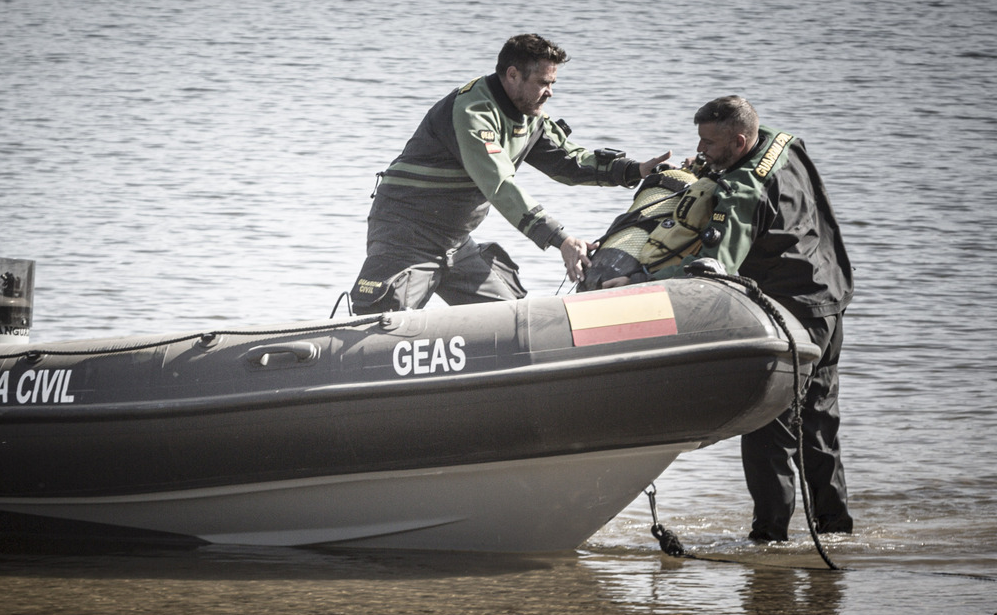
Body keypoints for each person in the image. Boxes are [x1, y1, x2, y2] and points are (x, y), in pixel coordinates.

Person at [638, 95, 855, 542]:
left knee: (766, 429)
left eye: (710, 143)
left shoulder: (740, 189)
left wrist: (642, 284)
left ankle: (769, 538)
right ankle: (837, 532)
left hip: (789, 315)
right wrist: (710, 170)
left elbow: (716, 266)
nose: (700, 150)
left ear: (739, 140)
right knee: (818, 424)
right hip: (830, 298)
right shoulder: (785, 145)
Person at [348, 33, 671, 314]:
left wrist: (635, 170)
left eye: (552, 83)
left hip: (456, 243)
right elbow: (500, 185)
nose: (550, 93)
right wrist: (560, 240)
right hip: (407, 236)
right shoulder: (473, 111)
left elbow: (569, 161)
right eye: (543, 83)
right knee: (382, 321)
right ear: (513, 75)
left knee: (514, 317)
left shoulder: (530, 116)